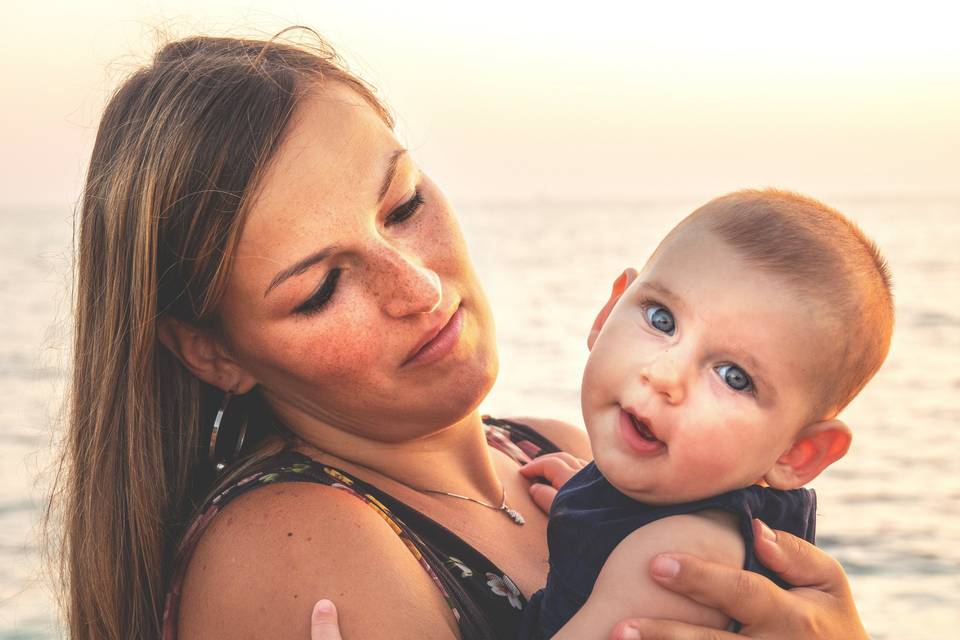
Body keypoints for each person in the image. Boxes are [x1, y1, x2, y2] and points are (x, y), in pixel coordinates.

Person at [51, 27, 872, 640]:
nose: (416, 287)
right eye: (323, 287)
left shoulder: (559, 458)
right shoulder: (290, 548)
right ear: (213, 350)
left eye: (404, 205)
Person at [513, 190, 894, 639]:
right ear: (608, 311)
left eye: (734, 376)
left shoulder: (677, 559)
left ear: (797, 452)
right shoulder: (658, 504)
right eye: (661, 319)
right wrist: (593, 500)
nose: (665, 375)